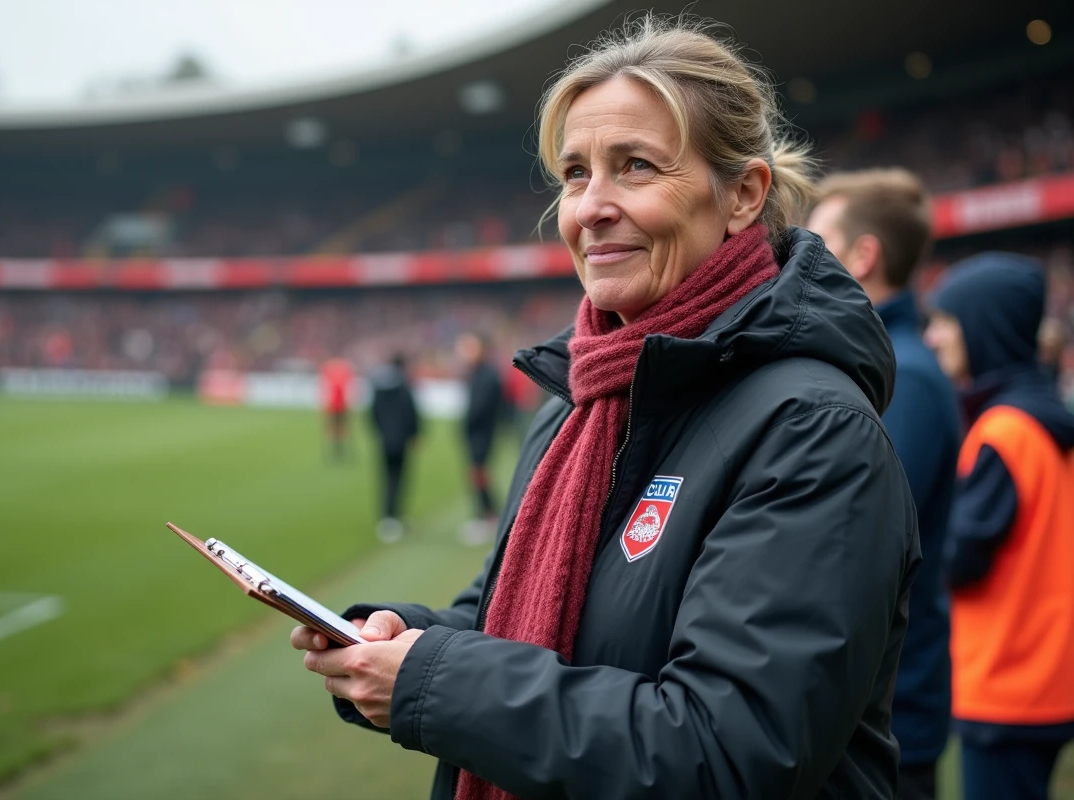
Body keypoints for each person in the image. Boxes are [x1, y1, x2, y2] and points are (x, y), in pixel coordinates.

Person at [292, 16, 918, 799]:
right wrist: (399, 640)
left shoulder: (813, 430)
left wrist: (435, 681)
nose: (591, 206)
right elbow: (506, 621)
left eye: (636, 167)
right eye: (575, 173)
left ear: (744, 195)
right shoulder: (575, 402)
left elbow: (728, 755)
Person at [806, 168, 961, 800]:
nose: (799, 260)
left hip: (890, 713)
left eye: (818, 244)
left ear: (863, 256)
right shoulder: (883, 361)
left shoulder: (907, 378)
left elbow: (852, 544)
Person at [923, 254, 1074, 800]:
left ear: (981, 327)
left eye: (946, 322)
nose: (935, 337)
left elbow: (961, 558)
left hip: (1005, 682)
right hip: (1051, 678)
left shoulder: (1002, 431)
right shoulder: (1046, 418)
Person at [455, 332, 505, 545]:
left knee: (479, 472)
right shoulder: (478, 373)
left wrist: (467, 423)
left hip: (482, 433)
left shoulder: (487, 374)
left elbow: (480, 408)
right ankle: (488, 513)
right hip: (477, 433)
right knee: (477, 472)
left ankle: (487, 515)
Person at [368, 353, 420, 543]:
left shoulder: (378, 386)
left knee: (387, 478)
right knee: (399, 478)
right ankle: (395, 516)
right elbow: (411, 412)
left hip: (384, 440)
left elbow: (372, 413)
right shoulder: (404, 386)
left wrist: (379, 432)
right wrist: (415, 433)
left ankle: (387, 518)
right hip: (401, 440)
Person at [319, 356, 354, 462]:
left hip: (340, 407)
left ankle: (339, 447)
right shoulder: (335, 378)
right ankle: (336, 447)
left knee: (340, 429)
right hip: (335, 407)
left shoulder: (339, 378)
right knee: (335, 429)